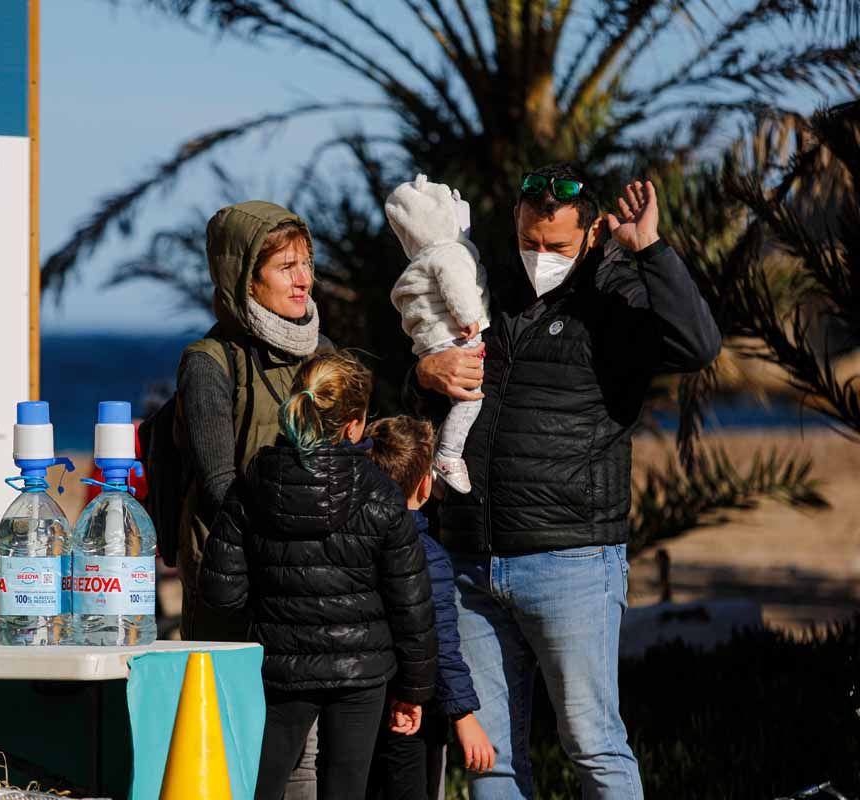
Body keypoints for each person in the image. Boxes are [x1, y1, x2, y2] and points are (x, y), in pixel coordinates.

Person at [412, 163, 722, 798]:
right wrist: (424, 372)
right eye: (529, 242)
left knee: (593, 747)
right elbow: (420, 387)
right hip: (471, 560)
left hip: (571, 560)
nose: (539, 257)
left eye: (555, 246)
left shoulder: (618, 298)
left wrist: (652, 252)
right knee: (488, 761)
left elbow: (697, 346)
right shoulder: (480, 286)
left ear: (592, 234)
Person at [200, 352, 438, 800]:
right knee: (345, 786)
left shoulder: (253, 484)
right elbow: (411, 605)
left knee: (263, 783)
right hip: (362, 672)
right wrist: (414, 690)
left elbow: (222, 591)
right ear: (353, 425)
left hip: (281, 667)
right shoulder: (382, 495)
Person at [175, 201, 332, 797]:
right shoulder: (209, 363)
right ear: (244, 279)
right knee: (233, 747)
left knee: (305, 757)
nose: (302, 279)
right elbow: (220, 487)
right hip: (233, 598)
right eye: (285, 265)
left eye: (307, 263)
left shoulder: (323, 356)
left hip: (313, 596)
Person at [366, 416, 495, 800]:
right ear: (426, 484)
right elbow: (440, 642)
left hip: (364, 702)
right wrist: (464, 715)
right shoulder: (429, 557)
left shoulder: (354, 543)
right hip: (414, 714)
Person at [386, 175, 489, 493]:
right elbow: (456, 287)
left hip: (431, 342)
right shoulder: (450, 253)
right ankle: (448, 454)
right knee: (470, 400)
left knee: (455, 401)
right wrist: (470, 317)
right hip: (457, 334)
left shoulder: (419, 261)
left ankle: (439, 454)